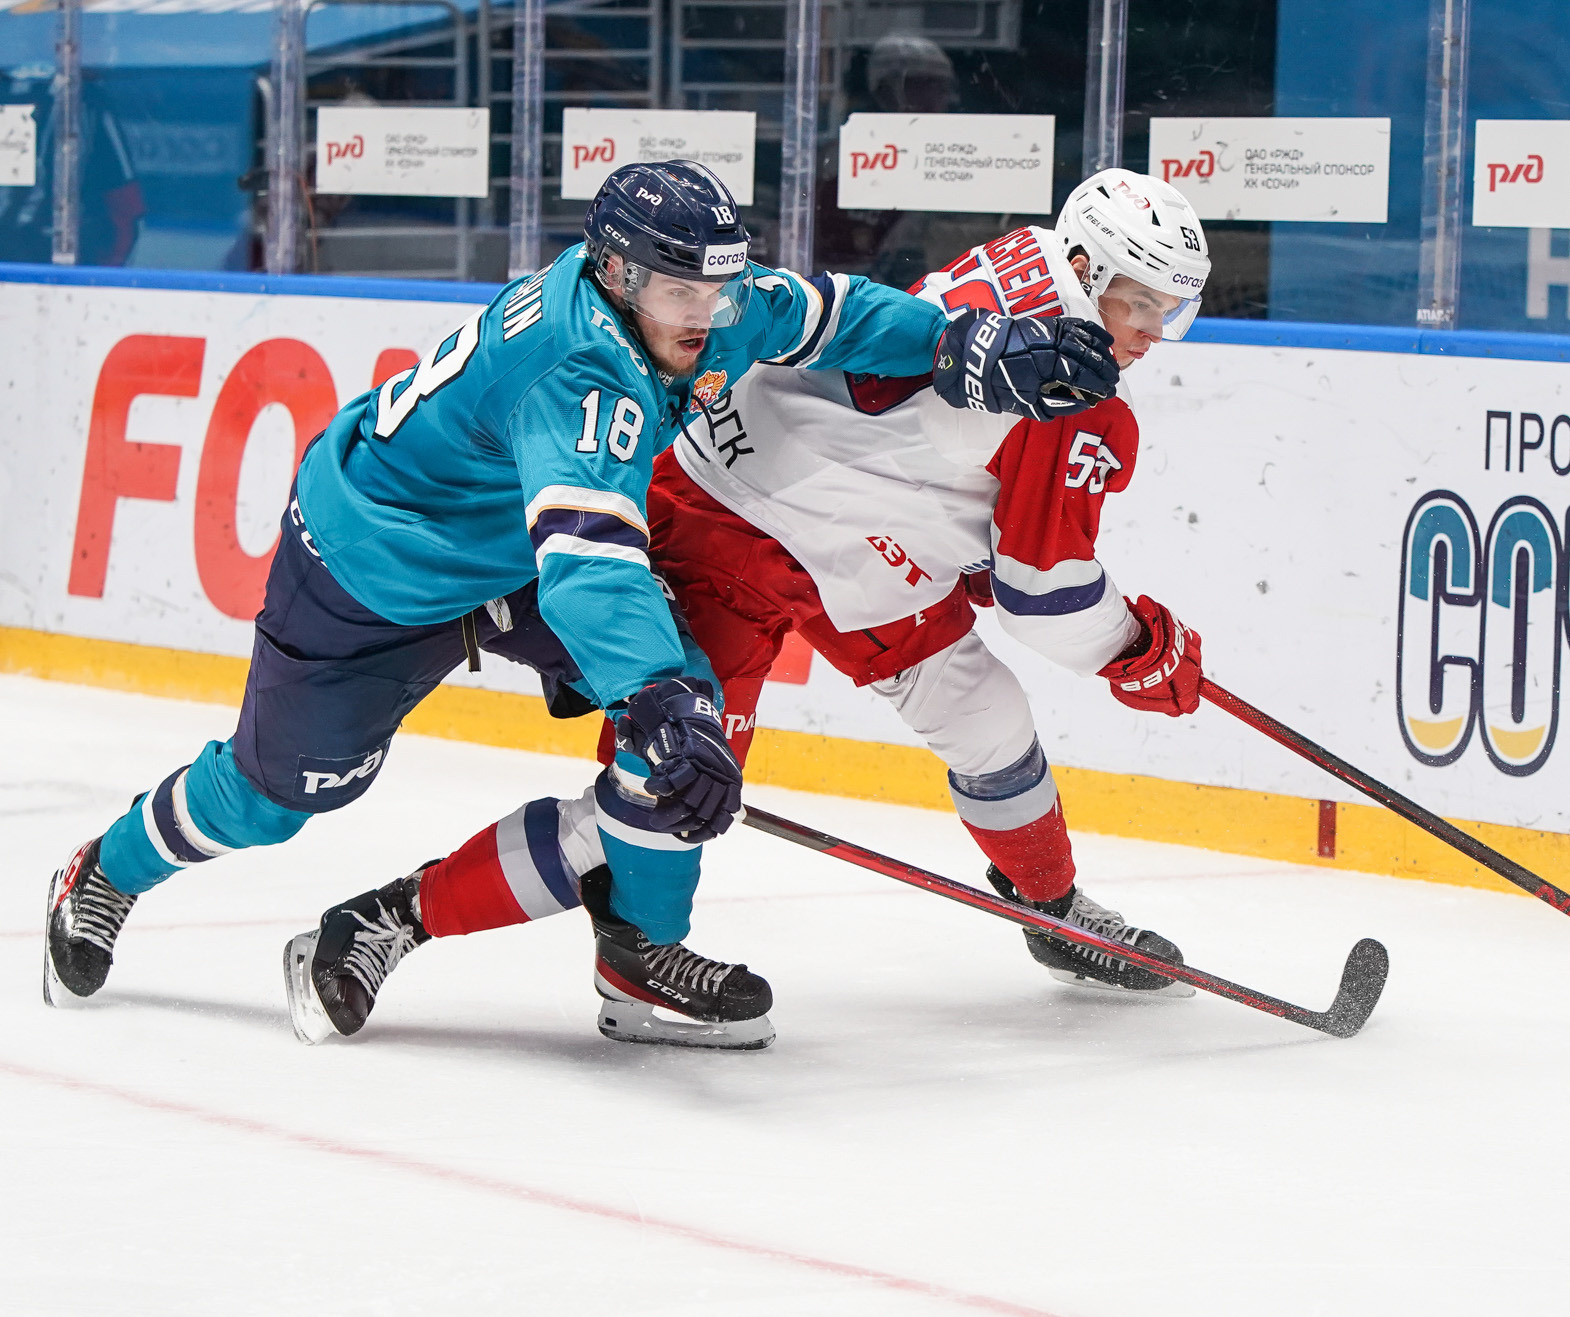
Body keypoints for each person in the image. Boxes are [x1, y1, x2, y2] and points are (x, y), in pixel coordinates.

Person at [43, 159, 1120, 1053]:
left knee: (687, 696)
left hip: (502, 545)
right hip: (377, 570)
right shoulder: (581, 371)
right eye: (679, 297)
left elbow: (829, 315)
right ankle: (104, 871)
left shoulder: (685, 295)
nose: (705, 319)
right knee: (274, 800)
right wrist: (651, 695)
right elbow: (592, 561)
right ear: (613, 273)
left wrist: (961, 345)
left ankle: (642, 951)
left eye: (715, 291)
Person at [317, 168, 1211, 1036]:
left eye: (1169, 308)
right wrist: (1139, 650)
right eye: (1141, 303)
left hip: (849, 540)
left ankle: (1053, 908)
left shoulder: (1029, 257)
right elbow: (1044, 595)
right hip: (736, 526)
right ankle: (410, 916)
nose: (1152, 330)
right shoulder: (1081, 396)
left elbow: (920, 420)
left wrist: (967, 534)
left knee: (984, 713)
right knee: (668, 785)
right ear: (1087, 269)